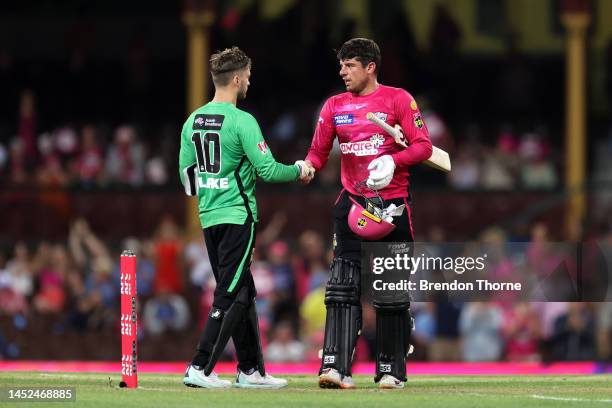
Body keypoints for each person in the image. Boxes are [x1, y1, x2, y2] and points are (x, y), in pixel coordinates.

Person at [178, 46, 314, 389]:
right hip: (238, 216)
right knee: (229, 291)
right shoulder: (243, 121)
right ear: (237, 78)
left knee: (242, 291)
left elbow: (187, 177)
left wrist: (212, 188)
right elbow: (267, 169)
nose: (250, 81)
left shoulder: (192, 120)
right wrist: (298, 169)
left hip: (209, 218)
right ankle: (199, 366)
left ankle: (251, 370)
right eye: (249, 76)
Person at [304, 38, 432, 389]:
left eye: (350, 65)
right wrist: (307, 166)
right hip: (352, 204)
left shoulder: (398, 99)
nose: (342, 72)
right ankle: (335, 367)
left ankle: (392, 369)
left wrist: (393, 159)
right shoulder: (334, 105)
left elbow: (424, 147)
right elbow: (318, 151)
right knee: (342, 287)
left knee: (390, 292)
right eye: (341, 65)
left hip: (391, 206)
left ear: (371, 66)